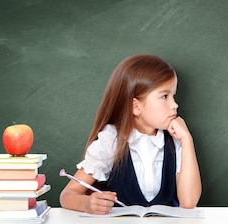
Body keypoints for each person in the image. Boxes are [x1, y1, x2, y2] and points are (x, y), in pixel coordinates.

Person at [60, 54, 201, 215]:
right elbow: (67, 195)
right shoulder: (111, 140)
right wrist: (87, 203)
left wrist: (187, 140)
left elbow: (189, 202)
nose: (174, 104)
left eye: (173, 96)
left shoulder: (176, 140)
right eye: (164, 96)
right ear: (136, 107)